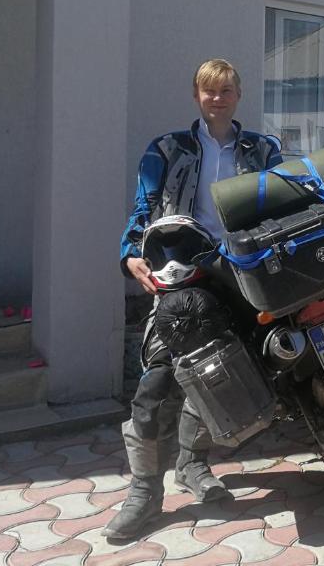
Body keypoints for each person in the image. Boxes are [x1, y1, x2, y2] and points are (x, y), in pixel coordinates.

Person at [107, 59, 282, 539]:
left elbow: (290, 204)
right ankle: (144, 492)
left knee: (221, 376)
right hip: (179, 276)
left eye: (226, 90)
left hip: (240, 277)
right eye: (209, 91)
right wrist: (129, 254)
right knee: (156, 381)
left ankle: (191, 463)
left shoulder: (263, 150)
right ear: (196, 95)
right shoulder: (167, 149)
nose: (218, 98)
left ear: (239, 94)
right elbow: (143, 208)